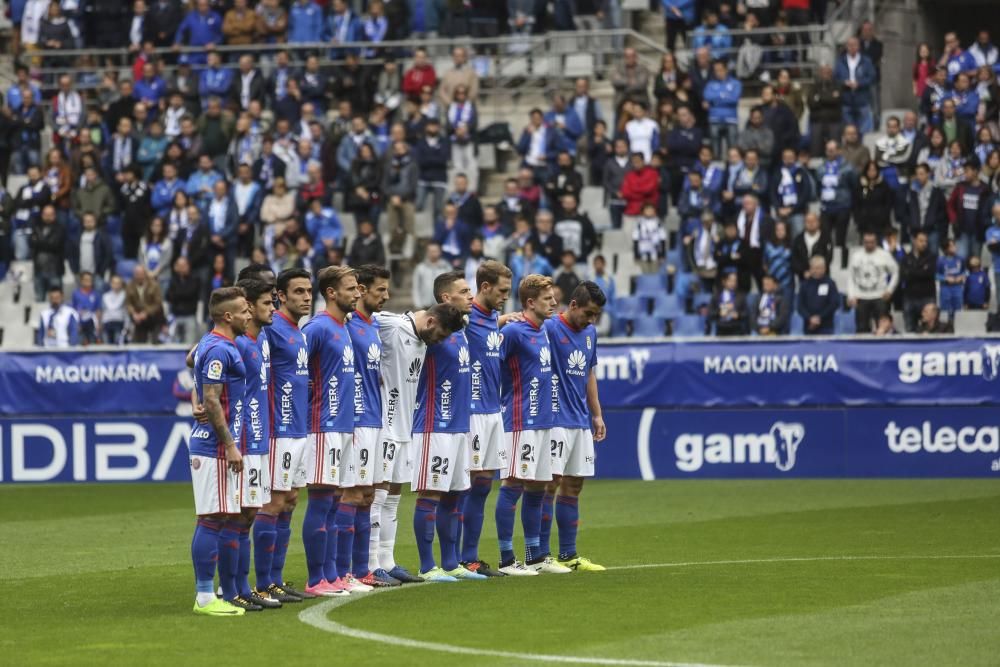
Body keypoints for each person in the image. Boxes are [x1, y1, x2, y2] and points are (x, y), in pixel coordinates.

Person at [374, 301, 466, 584]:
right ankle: (369, 564)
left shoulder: (421, 338)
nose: (438, 342)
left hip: (404, 426)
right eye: (439, 336)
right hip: (383, 425)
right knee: (376, 497)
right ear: (430, 323)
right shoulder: (392, 324)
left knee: (393, 497)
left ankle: (387, 562)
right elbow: (365, 318)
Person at [407, 271, 486, 582]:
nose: (471, 295)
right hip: (433, 426)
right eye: (464, 291)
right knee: (430, 494)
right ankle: (427, 566)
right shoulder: (428, 331)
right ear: (444, 299)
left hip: (459, 427)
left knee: (456, 495)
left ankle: (452, 564)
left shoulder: (461, 329)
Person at [298, 266, 367, 597]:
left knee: (337, 499)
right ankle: (316, 579)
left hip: (343, 426)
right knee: (322, 500)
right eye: (351, 288)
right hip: (323, 425)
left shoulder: (344, 328)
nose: (357, 293)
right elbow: (298, 373)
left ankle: (333, 575)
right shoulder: (317, 328)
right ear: (331, 293)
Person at [494, 274, 563, 576]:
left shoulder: (543, 329)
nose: (554, 303)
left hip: (544, 420)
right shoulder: (513, 333)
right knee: (513, 484)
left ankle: (535, 555)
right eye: (548, 299)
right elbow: (492, 368)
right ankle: (507, 559)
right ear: (531, 302)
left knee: (539, 486)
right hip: (520, 420)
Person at [187, 286, 250, 616]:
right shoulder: (218, 349)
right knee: (211, 518)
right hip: (214, 446)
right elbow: (212, 398)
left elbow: (190, 360)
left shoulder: (215, 344)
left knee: (222, 516)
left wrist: (195, 397)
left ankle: (213, 593)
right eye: (243, 311)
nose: (248, 315)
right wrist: (230, 445)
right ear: (228, 316)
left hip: (217, 444)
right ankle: (204, 597)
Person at [537, 281, 607, 571]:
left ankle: (568, 554)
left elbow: (589, 373)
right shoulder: (550, 328)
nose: (591, 320)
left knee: (574, 484)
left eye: (596, 315)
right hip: (554, 418)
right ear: (573, 306)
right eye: (588, 313)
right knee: (548, 485)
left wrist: (597, 414)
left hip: (579, 419)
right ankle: (539, 556)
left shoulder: (590, 333)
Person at [256, 268, 313, 603]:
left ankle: (275, 580)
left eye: (309, 291)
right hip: (279, 429)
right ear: (280, 295)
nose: (306, 297)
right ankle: (263, 582)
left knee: (289, 501)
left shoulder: (298, 331)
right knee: (274, 502)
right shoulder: (272, 328)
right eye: (299, 292)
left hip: (298, 430)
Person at [345, 265, 401, 588]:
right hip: (355, 422)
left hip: (376, 420)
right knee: (351, 496)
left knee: (369, 496)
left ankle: (365, 567)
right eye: (380, 290)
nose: (386, 296)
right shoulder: (346, 325)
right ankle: (344, 571)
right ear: (362, 290)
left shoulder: (373, 325)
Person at [848, 232, 899, 334]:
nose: (869, 245)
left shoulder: (884, 255)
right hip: (861, 297)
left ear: (876, 242)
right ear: (863, 242)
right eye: (866, 242)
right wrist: (851, 295)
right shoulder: (856, 256)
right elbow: (851, 277)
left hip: (880, 296)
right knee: (861, 329)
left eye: (871, 242)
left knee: (882, 328)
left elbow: (895, 272)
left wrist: (889, 290)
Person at [946, 161, 990, 262]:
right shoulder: (960, 187)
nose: (964, 174)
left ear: (975, 172)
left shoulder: (985, 189)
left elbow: (988, 208)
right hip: (962, 231)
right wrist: (954, 220)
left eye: (967, 171)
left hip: (978, 232)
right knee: (960, 259)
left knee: (975, 261)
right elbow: (950, 205)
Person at [835, 37, 877, 135]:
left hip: (862, 99)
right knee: (849, 130)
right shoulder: (840, 61)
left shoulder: (866, 61)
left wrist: (859, 83)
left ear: (859, 46)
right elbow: (835, 78)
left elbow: (872, 77)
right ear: (846, 47)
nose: (852, 47)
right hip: (846, 100)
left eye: (854, 45)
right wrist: (844, 83)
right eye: (850, 45)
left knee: (864, 131)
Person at [703, 59, 741, 158]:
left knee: (733, 150)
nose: (718, 73)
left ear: (726, 70)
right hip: (714, 119)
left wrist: (715, 100)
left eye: (720, 70)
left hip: (731, 120)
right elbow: (707, 96)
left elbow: (734, 99)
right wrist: (724, 96)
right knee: (715, 151)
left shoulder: (735, 83)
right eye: (716, 70)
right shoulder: (710, 84)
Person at [907, 163, 946, 253]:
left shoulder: (936, 191)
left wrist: (935, 223)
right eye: (917, 174)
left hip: (932, 231)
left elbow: (942, 211)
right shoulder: (912, 190)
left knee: (932, 256)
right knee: (915, 258)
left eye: (921, 174)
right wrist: (910, 223)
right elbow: (907, 210)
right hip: (915, 231)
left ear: (928, 174)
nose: (919, 177)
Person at [798, 256, 840, 335]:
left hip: (826, 327)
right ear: (810, 269)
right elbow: (800, 306)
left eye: (819, 268)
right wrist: (810, 318)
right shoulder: (804, 285)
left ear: (824, 268)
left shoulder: (830, 283)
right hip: (808, 326)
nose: (816, 270)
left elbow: (834, 303)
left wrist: (819, 317)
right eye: (814, 268)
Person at [126, 265, 166, 343]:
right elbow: (128, 303)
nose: (139, 276)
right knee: (139, 342)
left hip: (154, 317)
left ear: (145, 274)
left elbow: (158, 303)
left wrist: (146, 313)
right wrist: (134, 314)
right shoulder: (130, 286)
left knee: (156, 341)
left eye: (140, 273)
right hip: (139, 319)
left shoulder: (154, 285)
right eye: (137, 273)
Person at [854, 160, 893, 239]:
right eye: (870, 170)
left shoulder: (884, 185)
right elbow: (856, 203)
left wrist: (883, 217)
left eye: (874, 170)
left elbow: (888, 204)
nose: (872, 172)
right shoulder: (860, 185)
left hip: (880, 224)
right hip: (864, 223)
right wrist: (858, 218)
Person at [412, 242, 450, 309]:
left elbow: (450, 286)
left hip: (442, 305)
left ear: (440, 252)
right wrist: (418, 304)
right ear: (427, 252)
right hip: (425, 305)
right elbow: (416, 287)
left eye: (435, 251)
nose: (433, 253)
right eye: (431, 251)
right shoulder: (420, 268)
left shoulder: (446, 267)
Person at [936, 238, 966, 322]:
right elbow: (936, 275)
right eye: (951, 246)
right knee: (946, 311)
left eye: (954, 245)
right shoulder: (940, 261)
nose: (954, 248)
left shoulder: (960, 259)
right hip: (946, 289)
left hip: (958, 288)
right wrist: (945, 278)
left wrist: (961, 276)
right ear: (946, 249)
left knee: (958, 310)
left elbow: (965, 271)